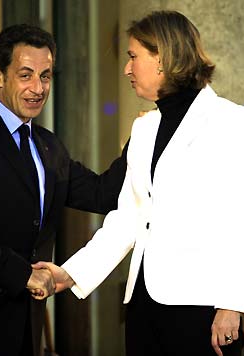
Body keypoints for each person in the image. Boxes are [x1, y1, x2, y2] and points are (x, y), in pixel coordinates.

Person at [35, 10, 244, 356]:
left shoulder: (231, 122)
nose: (127, 69)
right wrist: (69, 274)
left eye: (134, 57)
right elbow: (128, 219)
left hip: (202, 309)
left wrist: (233, 302)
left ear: (162, 57)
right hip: (142, 303)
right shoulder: (144, 129)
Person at [0, 24, 127, 356]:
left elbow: (104, 193)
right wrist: (21, 274)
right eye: (25, 75)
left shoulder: (49, 146)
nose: (38, 88)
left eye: (45, 76)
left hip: (28, 330)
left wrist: (144, 138)